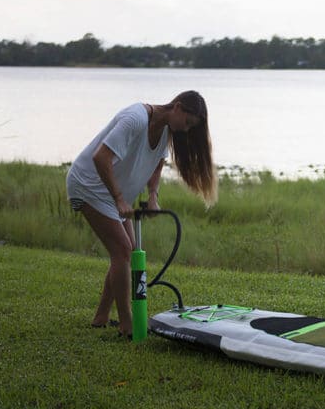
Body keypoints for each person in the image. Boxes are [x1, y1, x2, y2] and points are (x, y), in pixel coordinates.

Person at [67, 90, 217, 336]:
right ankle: (128, 324)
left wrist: (153, 196)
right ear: (177, 107)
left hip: (114, 194)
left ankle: (101, 317)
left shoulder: (167, 130)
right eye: (188, 123)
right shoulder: (135, 118)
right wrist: (118, 198)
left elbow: (157, 162)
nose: (186, 130)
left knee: (129, 251)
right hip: (89, 186)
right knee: (123, 252)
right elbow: (100, 157)